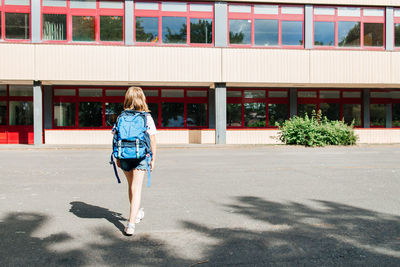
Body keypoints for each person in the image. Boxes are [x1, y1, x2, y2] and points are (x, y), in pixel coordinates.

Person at [116, 86, 157, 236]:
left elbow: (115, 138)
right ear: (142, 98)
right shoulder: (146, 117)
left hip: (124, 155)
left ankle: (137, 212)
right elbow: (153, 139)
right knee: (137, 188)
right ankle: (131, 224)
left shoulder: (121, 117)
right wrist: (153, 158)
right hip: (141, 156)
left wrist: (117, 157)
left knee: (131, 186)